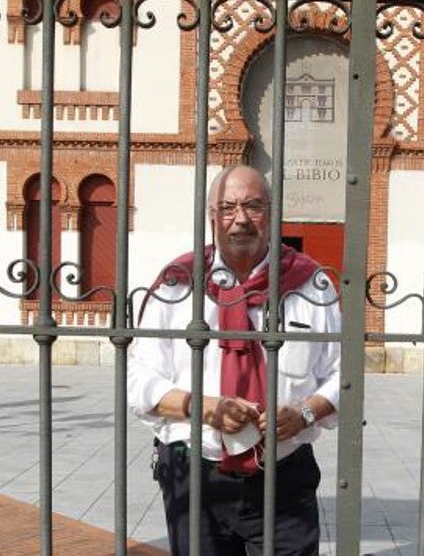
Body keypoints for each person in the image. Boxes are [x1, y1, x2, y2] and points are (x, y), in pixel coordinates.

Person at [127, 165, 341, 556]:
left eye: (253, 206)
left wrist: (305, 413)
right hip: (195, 476)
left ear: (272, 214)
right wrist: (203, 408)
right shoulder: (177, 285)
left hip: (285, 477)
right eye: (228, 207)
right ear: (211, 216)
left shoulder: (312, 285)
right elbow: (138, 382)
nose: (240, 218)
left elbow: (344, 376)